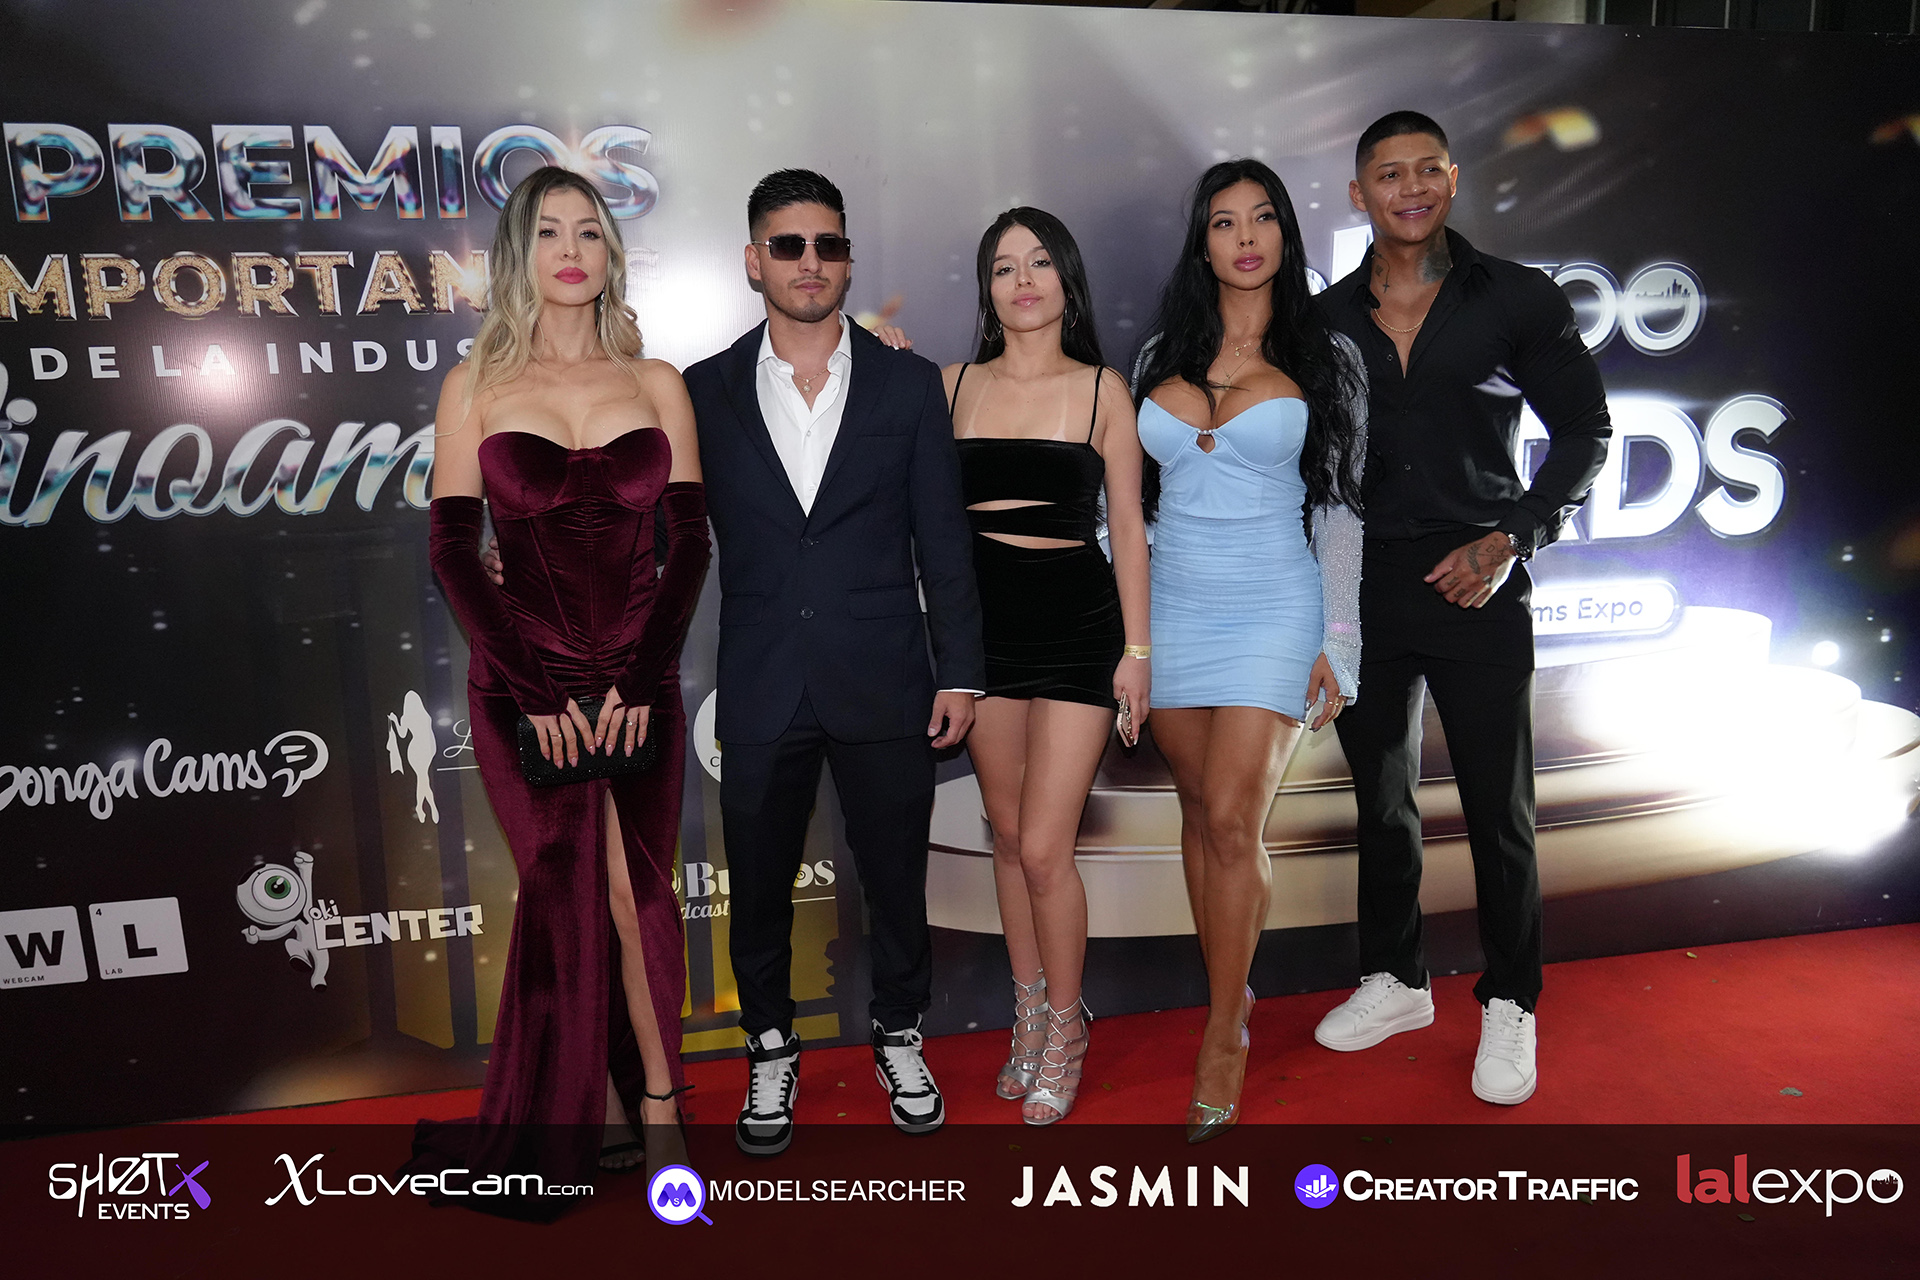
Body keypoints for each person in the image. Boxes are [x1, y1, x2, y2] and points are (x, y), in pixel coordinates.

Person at [407, 165, 711, 1209]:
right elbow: (453, 551)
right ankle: (608, 1102)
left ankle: (654, 1100)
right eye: (547, 232)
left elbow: (691, 544)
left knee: (638, 897)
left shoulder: (656, 380)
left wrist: (639, 676)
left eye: (588, 230)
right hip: (520, 686)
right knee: (571, 899)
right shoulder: (474, 385)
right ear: (517, 254)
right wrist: (538, 691)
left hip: (638, 681)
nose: (570, 249)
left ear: (611, 253)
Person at [680, 169, 986, 1156]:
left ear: (847, 260)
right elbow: (657, 527)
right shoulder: (701, 389)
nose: (809, 262)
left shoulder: (909, 381)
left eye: (828, 245)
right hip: (762, 677)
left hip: (887, 671)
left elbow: (944, 539)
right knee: (759, 883)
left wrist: (960, 668)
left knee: (897, 875)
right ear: (753, 260)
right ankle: (769, 1045)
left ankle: (900, 1032)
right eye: (788, 245)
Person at [1312, 111, 1611, 1106]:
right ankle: (1396, 980)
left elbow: (1585, 430)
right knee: (1382, 798)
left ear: (1452, 178)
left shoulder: (1517, 296)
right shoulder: (1323, 319)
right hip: (1364, 588)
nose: (1409, 188)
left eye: (1426, 170)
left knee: (1498, 805)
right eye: (1387, 174)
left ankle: (1512, 998)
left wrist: (1512, 537)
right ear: (1358, 194)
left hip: (1479, 579)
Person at [1133, 159, 1368, 1142]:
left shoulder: (1328, 356)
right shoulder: (1160, 353)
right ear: (1202, 241)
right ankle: (1232, 992)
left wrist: (1341, 640)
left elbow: (1344, 505)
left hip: (1275, 603)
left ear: (1284, 234)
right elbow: (1128, 504)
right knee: (1201, 814)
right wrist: (1127, 630)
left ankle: (1223, 1032)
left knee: (1232, 817)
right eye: (1224, 221)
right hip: (1173, 608)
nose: (1245, 236)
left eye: (1262, 217)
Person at [943, 208, 1150, 1125]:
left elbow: (1130, 532)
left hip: (1077, 629)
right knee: (1003, 832)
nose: (1022, 280)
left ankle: (1067, 1026)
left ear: (1067, 278)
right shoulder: (950, 386)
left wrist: (1137, 654)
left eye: (1038, 263)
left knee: (1041, 847)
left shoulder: (1104, 389)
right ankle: (1027, 1012)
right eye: (1002, 267)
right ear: (986, 289)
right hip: (983, 635)